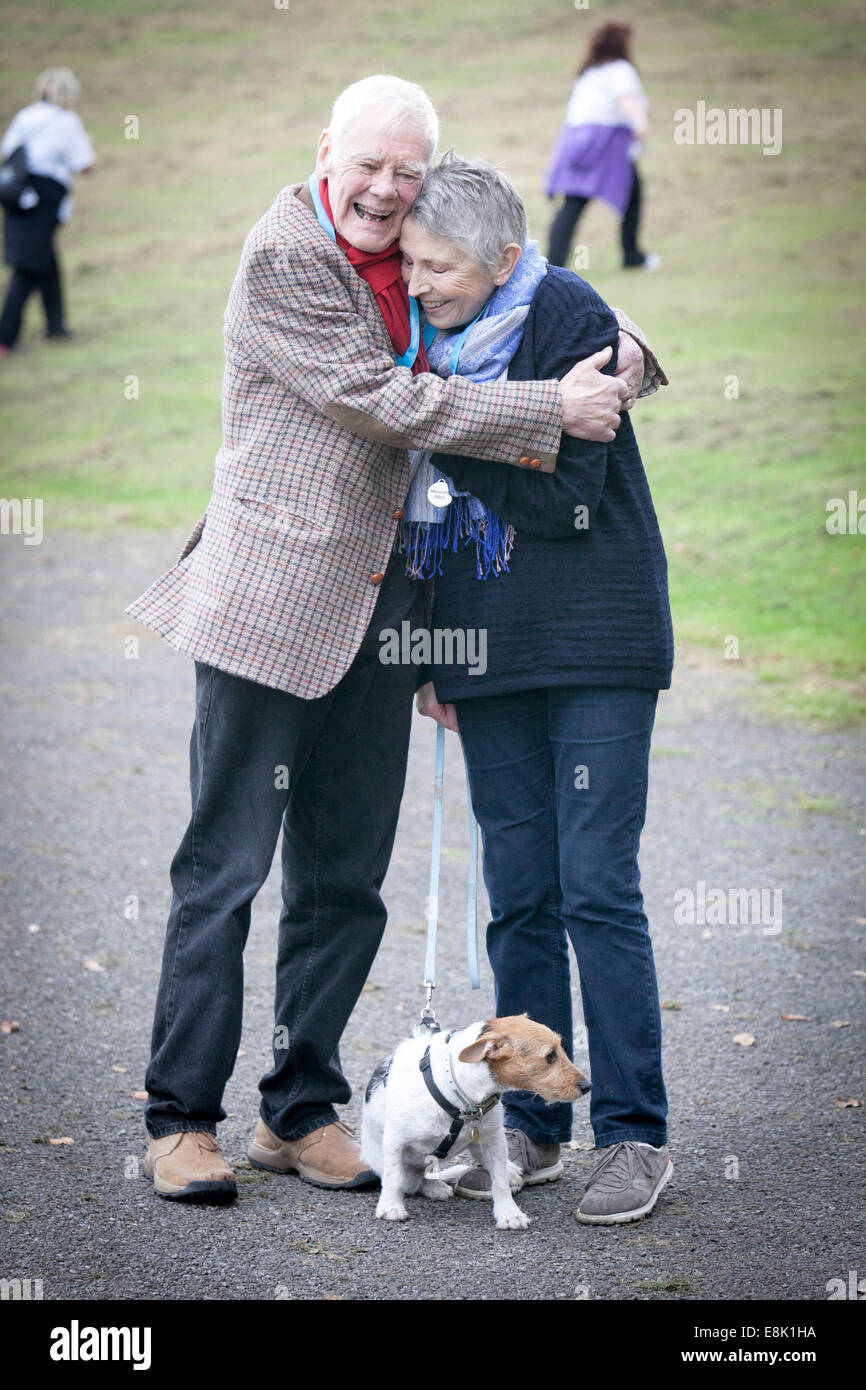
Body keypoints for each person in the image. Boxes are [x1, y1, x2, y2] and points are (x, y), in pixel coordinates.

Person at [126, 74, 663, 1203]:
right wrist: (545, 410)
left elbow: (533, 300)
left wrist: (619, 357)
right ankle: (179, 1118)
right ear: (325, 150)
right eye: (365, 162)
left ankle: (296, 1107)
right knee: (224, 871)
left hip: (385, 622)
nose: (382, 189)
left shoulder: (425, 255)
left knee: (345, 880)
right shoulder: (285, 254)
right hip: (273, 607)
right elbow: (385, 400)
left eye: (404, 171)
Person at [403, 153, 673, 1225]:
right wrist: (431, 652)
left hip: (597, 641)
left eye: (442, 267)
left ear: (503, 259)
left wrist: (438, 419)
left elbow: (566, 497)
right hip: (486, 648)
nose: (421, 283)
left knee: (595, 886)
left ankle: (634, 1133)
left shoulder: (566, 309)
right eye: (413, 263)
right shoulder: (421, 340)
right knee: (515, 893)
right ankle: (534, 1125)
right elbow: (416, 509)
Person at [545, 22, 658, 272]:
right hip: (605, 142)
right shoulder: (620, 69)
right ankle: (631, 255)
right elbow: (625, 99)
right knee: (626, 196)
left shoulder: (589, 72)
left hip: (576, 140)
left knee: (575, 203)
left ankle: (554, 264)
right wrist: (640, 123)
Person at [0, 68, 94, 353]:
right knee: (29, 268)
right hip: (43, 200)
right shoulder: (67, 121)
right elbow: (85, 163)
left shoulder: (25, 116)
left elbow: (8, 152)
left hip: (16, 195)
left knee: (46, 263)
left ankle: (56, 327)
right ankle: (5, 338)